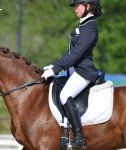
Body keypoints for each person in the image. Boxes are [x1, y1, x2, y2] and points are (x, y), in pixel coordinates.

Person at [41, 0, 102, 149]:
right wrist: (54, 66)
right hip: (75, 71)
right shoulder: (83, 25)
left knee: (64, 95)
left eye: (77, 5)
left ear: (89, 6)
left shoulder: (90, 27)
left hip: (84, 72)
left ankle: (80, 138)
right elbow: (70, 52)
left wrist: (56, 70)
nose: (75, 9)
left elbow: (77, 54)